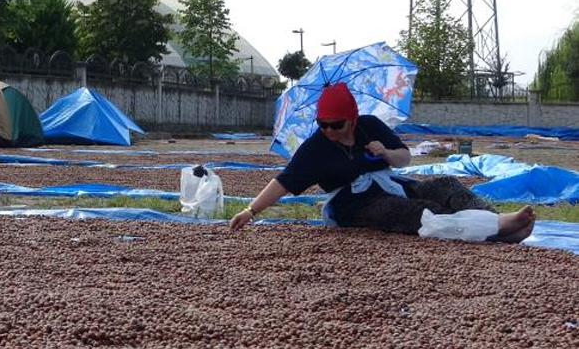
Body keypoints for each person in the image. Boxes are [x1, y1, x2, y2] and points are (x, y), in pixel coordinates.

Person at [228, 82, 535, 243]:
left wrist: (386, 154)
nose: (328, 130)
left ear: (352, 118)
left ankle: (494, 221)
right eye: (323, 124)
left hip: (392, 183)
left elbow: (404, 158)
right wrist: (250, 210)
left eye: (336, 124)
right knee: (416, 212)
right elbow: (283, 182)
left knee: (446, 184)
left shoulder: (371, 125)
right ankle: (495, 228)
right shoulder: (315, 147)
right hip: (353, 204)